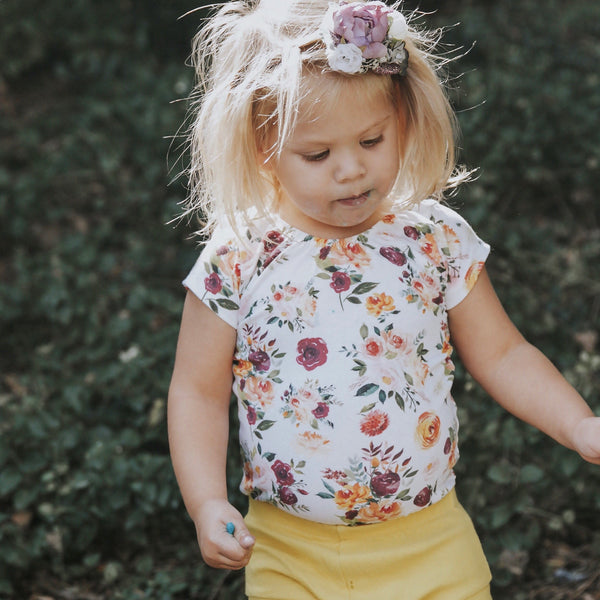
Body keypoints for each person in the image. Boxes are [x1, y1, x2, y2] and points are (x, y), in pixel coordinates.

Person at [167, 1, 600, 598]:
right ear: (262, 146)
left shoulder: (433, 240)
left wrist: (579, 424)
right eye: (317, 155)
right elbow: (197, 391)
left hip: (429, 543)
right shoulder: (239, 256)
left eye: (372, 139)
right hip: (291, 549)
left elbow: (503, 354)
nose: (350, 170)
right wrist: (206, 500)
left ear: (404, 117)